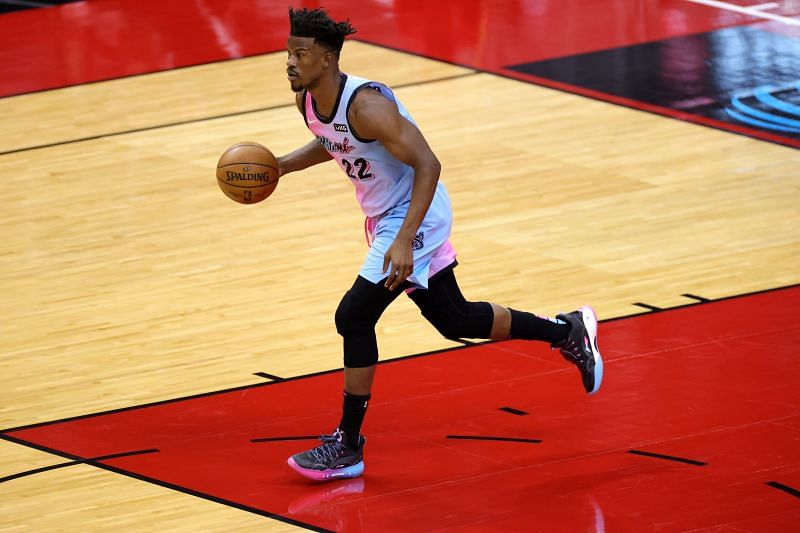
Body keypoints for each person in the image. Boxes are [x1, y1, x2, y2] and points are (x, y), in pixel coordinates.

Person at [276, 7, 602, 482]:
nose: (289, 62)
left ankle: (348, 444)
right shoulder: (307, 100)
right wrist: (283, 165)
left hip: (416, 215)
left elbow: (429, 164)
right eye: (287, 52)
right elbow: (335, 142)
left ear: (326, 59)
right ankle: (566, 331)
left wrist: (406, 238)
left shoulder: (368, 105)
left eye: (300, 54)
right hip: (386, 218)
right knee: (455, 319)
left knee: (353, 315)